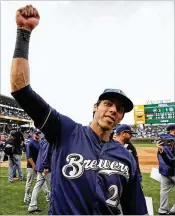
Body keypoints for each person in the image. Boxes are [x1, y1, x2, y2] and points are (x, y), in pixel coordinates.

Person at [10, 5, 148, 215]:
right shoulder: (66, 131)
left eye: (119, 109)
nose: (113, 110)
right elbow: (21, 90)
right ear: (95, 107)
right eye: (108, 104)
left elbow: (136, 210)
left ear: (121, 117)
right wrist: (23, 33)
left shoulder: (125, 157)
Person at [156, 124, 175, 215]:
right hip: (173, 168)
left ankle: (162, 210)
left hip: (164, 170)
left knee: (164, 190)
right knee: (164, 190)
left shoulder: (161, 141)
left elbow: (160, 155)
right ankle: (173, 211)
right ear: (172, 130)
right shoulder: (173, 140)